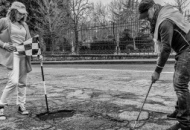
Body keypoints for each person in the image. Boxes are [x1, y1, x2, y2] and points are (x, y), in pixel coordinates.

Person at [138, 0, 190, 130]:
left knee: (180, 83)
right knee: (178, 82)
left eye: (146, 17)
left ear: (152, 9)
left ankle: (185, 123)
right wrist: (158, 62)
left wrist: (157, 71)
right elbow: (162, 48)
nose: (147, 20)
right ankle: (180, 111)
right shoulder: (161, 15)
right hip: (182, 50)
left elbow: (166, 49)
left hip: (187, 49)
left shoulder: (164, 21)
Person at [0, 1, 42, 120]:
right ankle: (1, 105)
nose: (21, 16)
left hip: (24, 55)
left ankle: (21, 105)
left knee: (23, 82)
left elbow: (29, 41)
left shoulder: (24, 25)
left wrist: (38, 53)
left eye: (23, 14)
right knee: (13, 81)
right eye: (19, 13)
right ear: (13, 11)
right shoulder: (4, 21)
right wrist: (3, 45)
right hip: (12, 54)